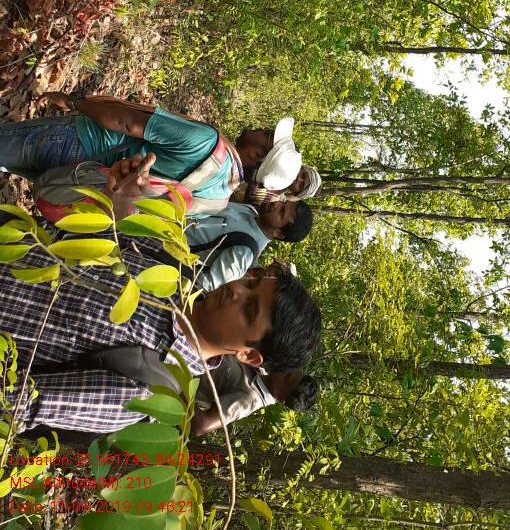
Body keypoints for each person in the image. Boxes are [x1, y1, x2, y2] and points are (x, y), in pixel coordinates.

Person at [0, 233, 322, 432]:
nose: (236, 291)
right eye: (251, 282)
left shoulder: (146, 386)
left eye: (249, 309)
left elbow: (21, 400)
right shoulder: (173, 268)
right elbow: (85, 236)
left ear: (249, 355)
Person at [32, 151, 314, 291]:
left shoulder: (245, 252)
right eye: (282, 204)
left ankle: (42, 243)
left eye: (281, 213)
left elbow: (204, 287)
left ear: (279, 234)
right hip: (153, 219)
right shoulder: (250, 213)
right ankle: (48, 227)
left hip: (148, 248)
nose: (276, 204)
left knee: (86, 240)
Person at [0, 93, 300, 215]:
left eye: (266, 134)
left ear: (257, 154)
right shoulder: (217, 201)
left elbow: (127, 122)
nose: (261, 128)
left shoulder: (209, 143)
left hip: (80, 141)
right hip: (80, 184)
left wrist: (74, 102)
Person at [192, 356, 318, 435]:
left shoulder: (248, 400)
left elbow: (202, 426)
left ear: (280, 397)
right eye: (293, 370)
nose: (286, 370)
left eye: (287, 377)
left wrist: (182, 390)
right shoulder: (261, 369)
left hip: (184, 372)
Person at [233, 163, 322, 207]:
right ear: (301, 168)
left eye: (301, 185)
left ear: (296, 193)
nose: (299, 179)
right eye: (303, 175)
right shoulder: (276, 161)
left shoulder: (274, 201)